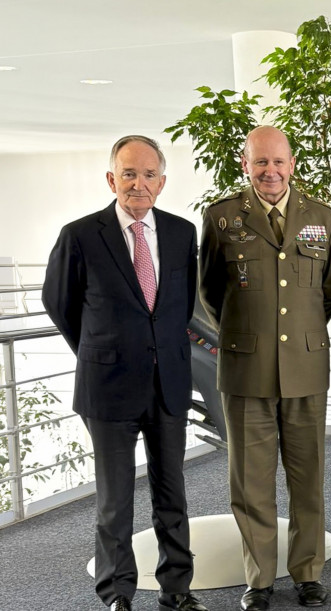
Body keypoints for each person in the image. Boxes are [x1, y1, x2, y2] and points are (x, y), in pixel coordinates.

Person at [43, 136, 207, 611]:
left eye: (149, 174)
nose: (139, 184)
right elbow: (59, 303)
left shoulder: (181, 233)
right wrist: (101, 351)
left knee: (171, 493)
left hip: (168, 384)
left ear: (162, 181)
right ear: (111, 179)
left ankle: (177, 589)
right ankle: (117, 594)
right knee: (115, 501)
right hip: (108, 387)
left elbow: (182, 305)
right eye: (129, 174)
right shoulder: (80, 235)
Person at [199, 125, 331, 610]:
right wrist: (247, 332)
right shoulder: (221, 218)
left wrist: (296, 333)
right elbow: (210, 291)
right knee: (251, 482)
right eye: (260, 162)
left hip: (305, 366)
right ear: (246, 164)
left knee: (308, 478)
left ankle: (308, 573)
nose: (270, 171)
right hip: (246, 370)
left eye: (278, 161)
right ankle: (259, 579)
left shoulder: (323, 217)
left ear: (292, 164)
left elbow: (329, 291)